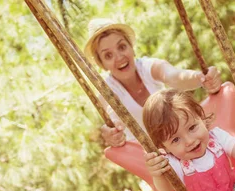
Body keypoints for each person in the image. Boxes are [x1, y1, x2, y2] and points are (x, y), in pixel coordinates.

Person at [83, 18, 222, 147]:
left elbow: (174, 76)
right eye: (108, 55)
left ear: (131, 47)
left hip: (177, 144)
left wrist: (200, 78)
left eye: (122, 47)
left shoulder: (147, 67)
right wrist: (112, 134)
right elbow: (110, 125)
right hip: (148, 158)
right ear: (102, 64)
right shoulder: (107, 92)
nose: (119, 57)